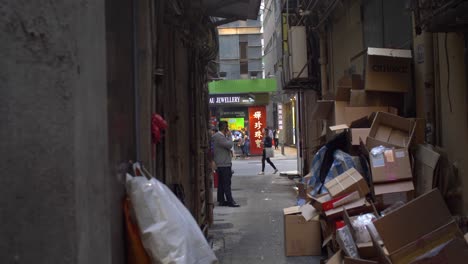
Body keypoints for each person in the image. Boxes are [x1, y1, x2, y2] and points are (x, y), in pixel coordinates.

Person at [212, 121, 240, 207]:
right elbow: (230, 145)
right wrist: (230, 135)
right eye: (227, 127)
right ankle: (230, 201)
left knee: (221, 183)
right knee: (226, 183)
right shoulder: (219, 137)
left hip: (221, 163)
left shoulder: (219, 136)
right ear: (225, 128)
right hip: (223, 163)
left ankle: (221, 200)